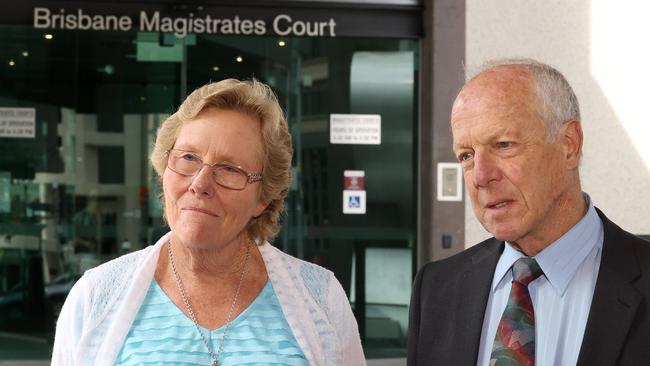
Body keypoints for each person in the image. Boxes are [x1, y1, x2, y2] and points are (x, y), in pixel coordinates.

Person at [52, 79, 366, 366]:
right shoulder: (95, 298)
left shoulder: (321, 300)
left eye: (230, 169)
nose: (200, 183)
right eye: (188, 158)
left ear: (263, 198)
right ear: (164, 167)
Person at [407, 59, 650, 365]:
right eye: (466, 155)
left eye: (503, 145)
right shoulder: (436, 289)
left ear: (569, 145)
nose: (481, 176)